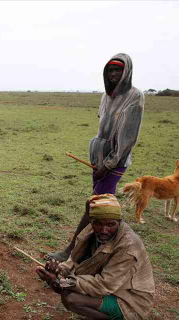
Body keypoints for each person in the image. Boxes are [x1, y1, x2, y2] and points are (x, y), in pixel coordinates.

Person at [49, 53, 145, 261]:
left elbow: (127, 137)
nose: (113, 74)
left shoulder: (135, 96)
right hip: (98, 160)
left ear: (126, 72)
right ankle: (96, 253)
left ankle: (73, 252)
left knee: (97, 208)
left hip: (114, 162)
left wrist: (108, 164)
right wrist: (99, 161)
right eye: (110, 70)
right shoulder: (106, 96)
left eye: (118, 70)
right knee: (100, 207)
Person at [36, 194, 154, 320]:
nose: (104, 230)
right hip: (109, 287)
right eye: (98, 224)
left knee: (71, 298)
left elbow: (105, 285)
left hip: (129, 298)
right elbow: (74, 260)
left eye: (111, 225)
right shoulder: (90, 230)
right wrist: (58, 270)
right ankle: (103, 313)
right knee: (60, 286)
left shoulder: (128, 245)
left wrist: (65, 281)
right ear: (91, 221)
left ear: (119, 221)